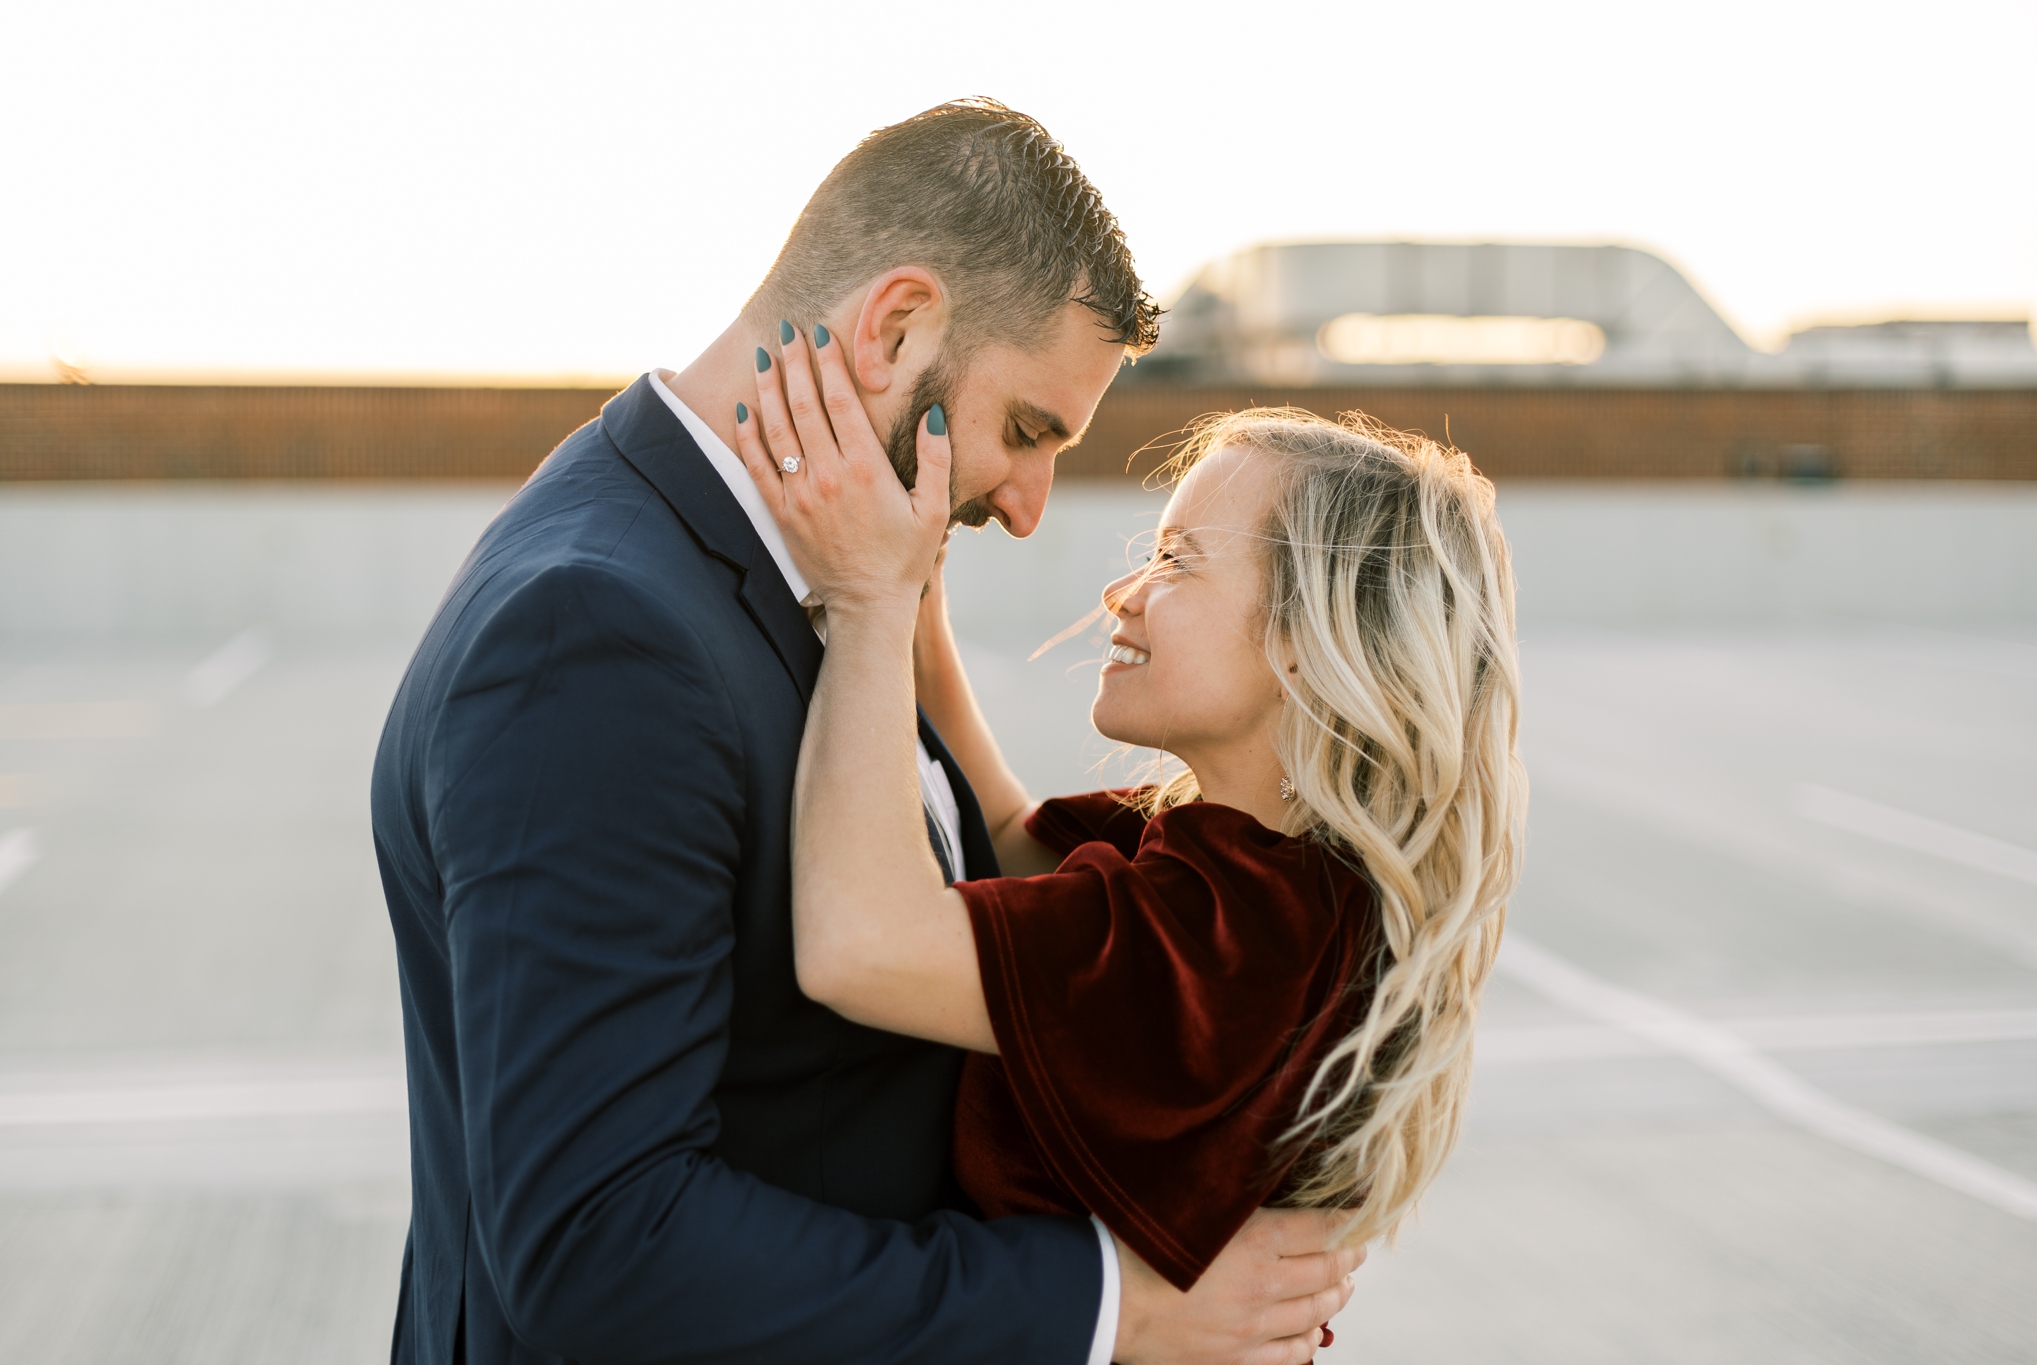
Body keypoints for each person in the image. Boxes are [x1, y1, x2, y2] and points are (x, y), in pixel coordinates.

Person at [371, 99, 1360, 1365]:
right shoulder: (598, 634)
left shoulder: (820, 588)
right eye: (1025, 431)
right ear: (895, 329)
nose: (1028, 503)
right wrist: (1111, 1306)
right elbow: (599, 1247)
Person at [733, 336, 1526, 1310]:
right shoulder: (1257, 873)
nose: (1122, 594)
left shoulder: (1232, 944)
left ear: (1304, 641)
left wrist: (864, 602)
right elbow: (1009, 838)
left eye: (1174, 562)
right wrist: (914, 569)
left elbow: (859, 946)